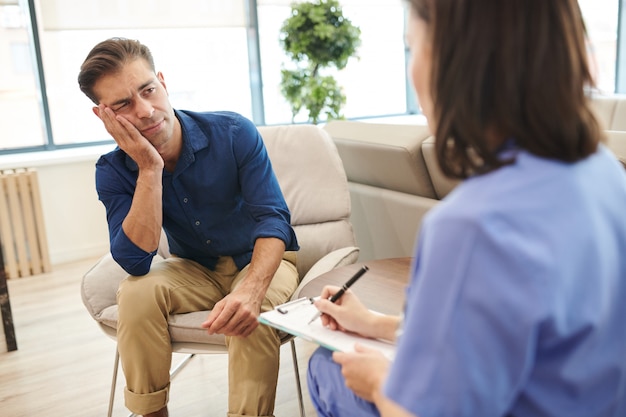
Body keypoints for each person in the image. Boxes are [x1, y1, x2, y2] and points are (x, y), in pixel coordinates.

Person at [306, 1, 626, 416]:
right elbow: (523, 339)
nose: (412, 70)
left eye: (411, 47)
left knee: (324, 366)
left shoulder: (474, 226)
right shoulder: (606, 173)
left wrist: (383, 384)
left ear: (454, 58)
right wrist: (375, 324)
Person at [78, 38, 299, 417]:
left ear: (162, 81)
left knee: (253, 311)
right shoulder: (113, 170)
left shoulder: (233, 132)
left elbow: (273, 218)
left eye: (148, 90)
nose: (146, 111)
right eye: (123, 105)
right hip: (193, 269)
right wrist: (150, 169)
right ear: (105, 116)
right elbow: (134, 259)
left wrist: (251, 289)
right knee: (134, 293)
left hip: (259, 260)